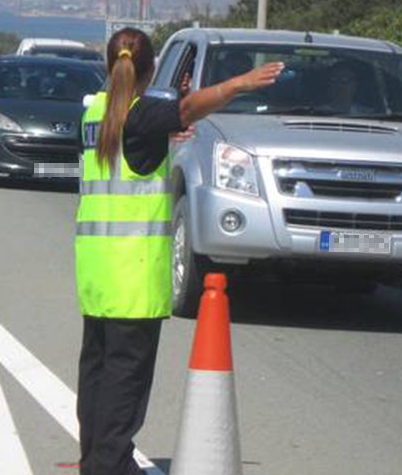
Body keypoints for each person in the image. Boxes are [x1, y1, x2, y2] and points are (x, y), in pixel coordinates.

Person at [74, 27, 283, 475]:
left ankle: (95, 459)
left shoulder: (93, 113)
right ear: (148, 72)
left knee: (96, 373)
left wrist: (163, 139)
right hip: (133, 274)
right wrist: (237, 84)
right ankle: (110, 466)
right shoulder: (143, 115)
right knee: (124, 382)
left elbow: (128, 152)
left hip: (96, 273)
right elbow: (186, 109)